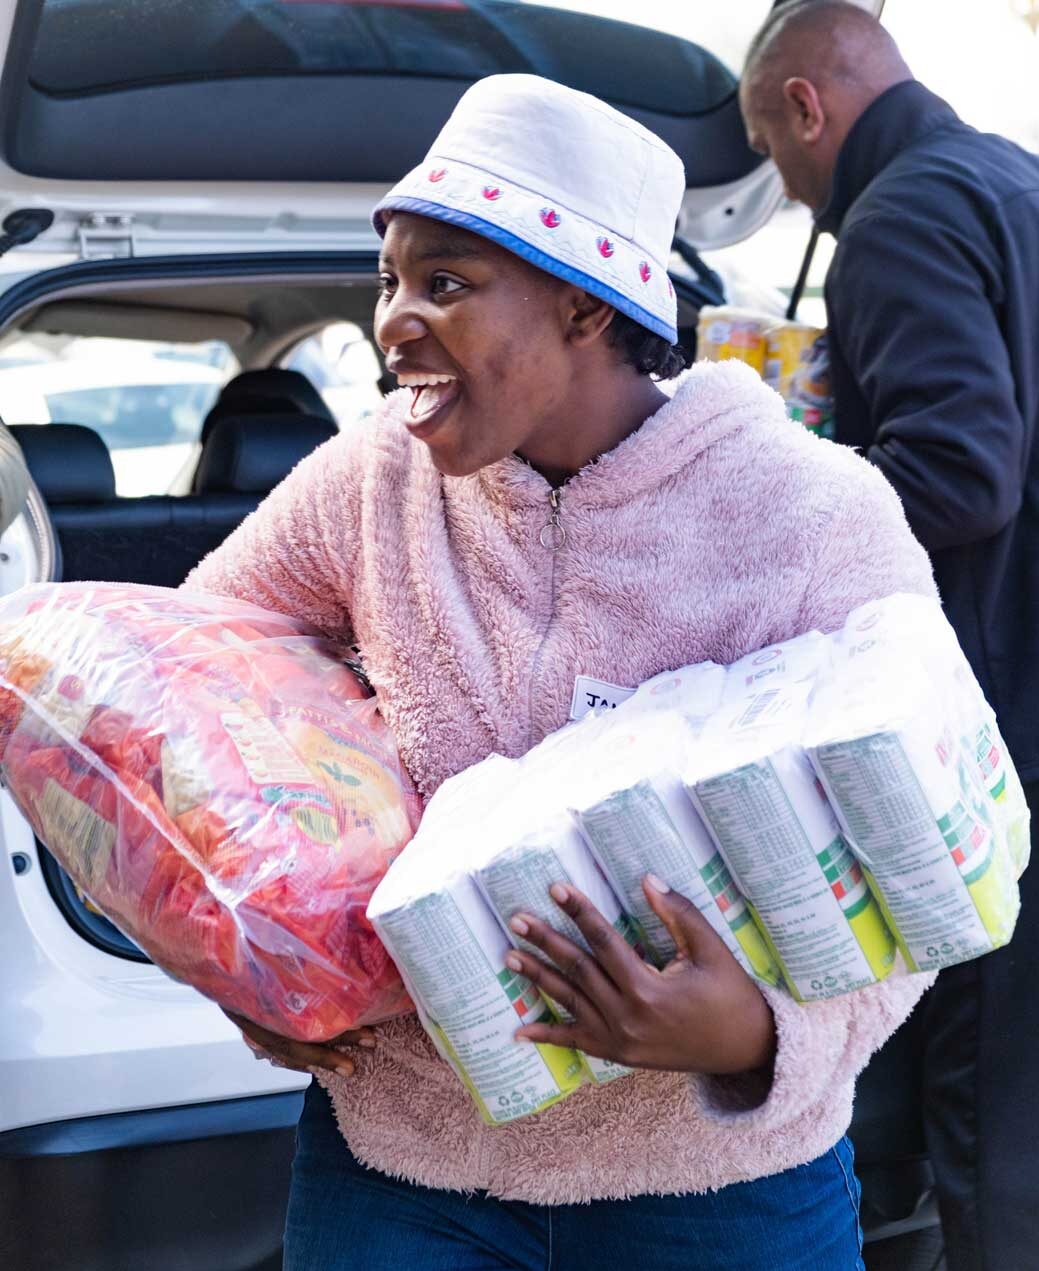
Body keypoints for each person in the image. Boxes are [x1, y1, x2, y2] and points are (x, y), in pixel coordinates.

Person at [188, 73, 935, 1270]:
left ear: (588, 308)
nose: (392, 321)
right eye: (389, 281)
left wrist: (756, 1032)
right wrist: (254, 951)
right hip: (406, 1161)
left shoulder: (808, 512)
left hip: (717, 1178)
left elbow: (936, 849)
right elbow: (194, 687)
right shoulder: (369, 481)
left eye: (446, 283)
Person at [739, 4, 1039, 1269]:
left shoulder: (900, 214)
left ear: (806, 107)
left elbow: (961, 474)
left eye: (773, 148)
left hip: (986, 737)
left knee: (980, 1118)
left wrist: (788, 492)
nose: (789, 187)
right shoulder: (1013, 180)